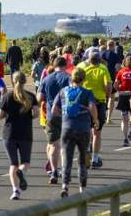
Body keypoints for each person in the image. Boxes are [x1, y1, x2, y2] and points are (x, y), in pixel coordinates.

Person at [51, 67, 98, 197]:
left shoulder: (63, 91)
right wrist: (95, 120)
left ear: (72, 78)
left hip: (67, 128)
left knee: (67, 158)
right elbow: (92, 107)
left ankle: (65, 186)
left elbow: (54, 109)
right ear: (84, 79)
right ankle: (82, 188)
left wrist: (64, 116)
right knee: (82, 159)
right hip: (83, 128)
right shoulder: (87, 92)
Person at [0, 72, 39, 200]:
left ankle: (15, 191)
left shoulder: (7, 96)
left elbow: (0, 115)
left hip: (9, 133)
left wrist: (9, 114)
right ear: (25, 81)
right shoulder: (31, 96)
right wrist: (28, 116)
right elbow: (36, 114)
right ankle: (21, 172)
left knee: (13, 164)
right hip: (25, 132)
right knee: (25, 162)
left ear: (13, 81)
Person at [37, 56, 70, 184]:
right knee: (65, 144)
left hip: (51, 115)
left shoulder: (47, 79)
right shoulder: (68, 78)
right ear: (65, 65)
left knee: (53, 145)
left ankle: (54, 171)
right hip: (66, 115)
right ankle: (64, 170)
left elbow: (39, 98)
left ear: (54, 65)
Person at [77, 51, 112, 168]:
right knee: (97, 133)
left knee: (86, 129)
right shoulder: (103, 69)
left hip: (85, 102)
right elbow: (108, 86)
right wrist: (107, 95)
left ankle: (87, 150)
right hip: (99, 102)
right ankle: (95, 159)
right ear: (99, 59)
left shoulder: (82, 68)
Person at [114, 56, 131, 147]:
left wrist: (119, 91)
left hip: (123, 96)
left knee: (124, 119)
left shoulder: (121, 71)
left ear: (125, 62)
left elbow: (115, 84)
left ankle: (125, 139)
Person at [102, 40, 120, 124]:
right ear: (113, 46)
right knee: (111, 97)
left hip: (102, 77)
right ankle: (108, 118)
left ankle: (102, 115)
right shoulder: (116, 55)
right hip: (111, 77)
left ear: (107, 45)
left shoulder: (102, 54)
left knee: (102, 97)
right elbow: (117, 67)